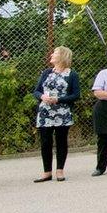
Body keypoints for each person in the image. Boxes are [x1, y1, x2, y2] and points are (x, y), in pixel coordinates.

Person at [31, 46, 77, 183]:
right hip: (45, 112)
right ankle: (47, 172)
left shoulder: (72, 74)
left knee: (61, 141)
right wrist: (42, 97)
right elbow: (36, 91)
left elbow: (76, 94)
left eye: (55, 53)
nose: (51, 55)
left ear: (63, 56)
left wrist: (59, 99)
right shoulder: (46, 72)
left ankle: (60, 170)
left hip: (62, 112)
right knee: (45, 142)